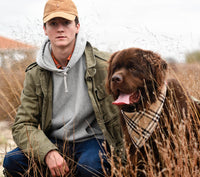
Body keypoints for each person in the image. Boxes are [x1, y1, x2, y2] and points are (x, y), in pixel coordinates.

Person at [3, 0, 125, 176]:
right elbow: (23, 124)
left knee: (90, 166)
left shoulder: (105, 65)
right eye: (53, 23)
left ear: (77, 26)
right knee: (12, 161)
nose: (60, 29)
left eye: (66, 23)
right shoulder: (36, 73)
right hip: (55, 142)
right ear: (45, 29)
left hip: (94, 140)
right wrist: (47, 152)